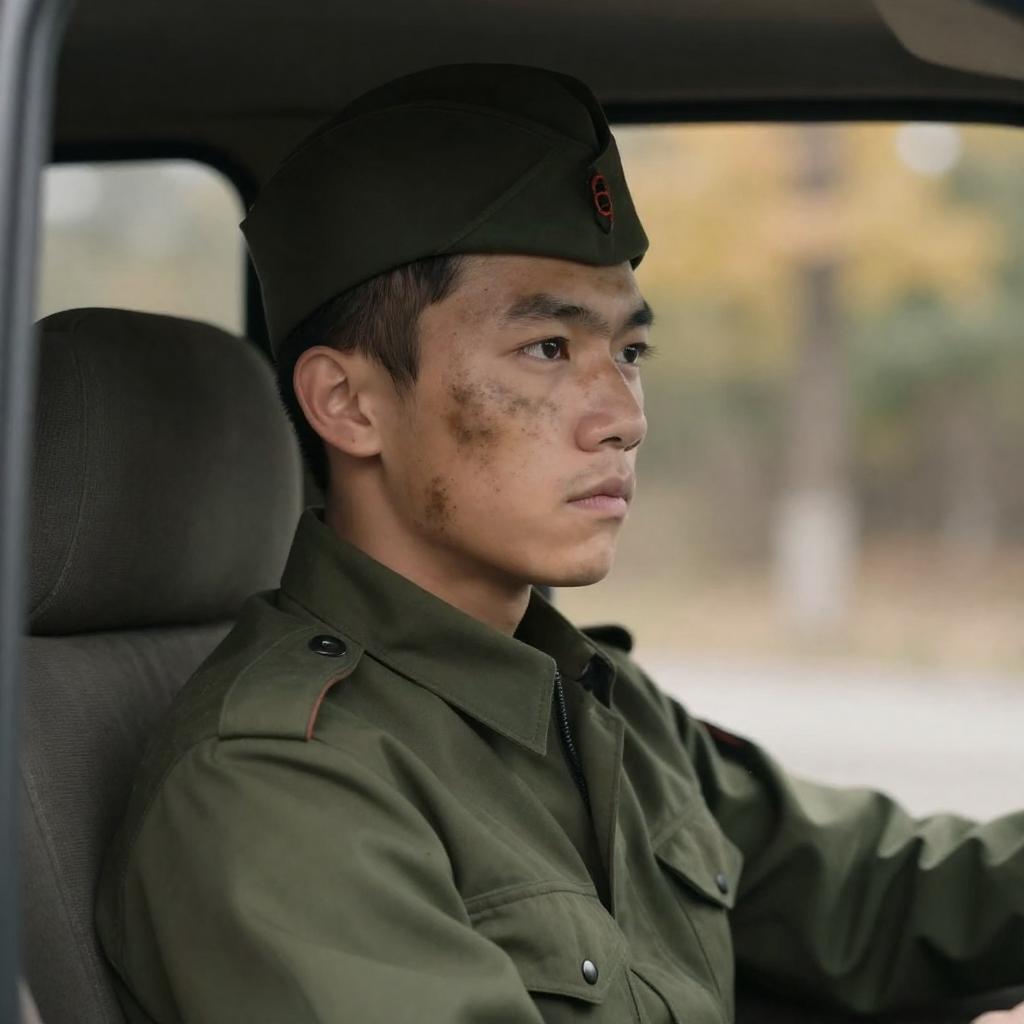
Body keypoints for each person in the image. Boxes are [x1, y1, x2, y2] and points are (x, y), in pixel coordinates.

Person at [95, 63, 1024, 1024]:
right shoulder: (279, 787)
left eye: (629, 352)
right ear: (350, 404)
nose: (625, 418)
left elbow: (874, 896)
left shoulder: (591, 701)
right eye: (548, 350)